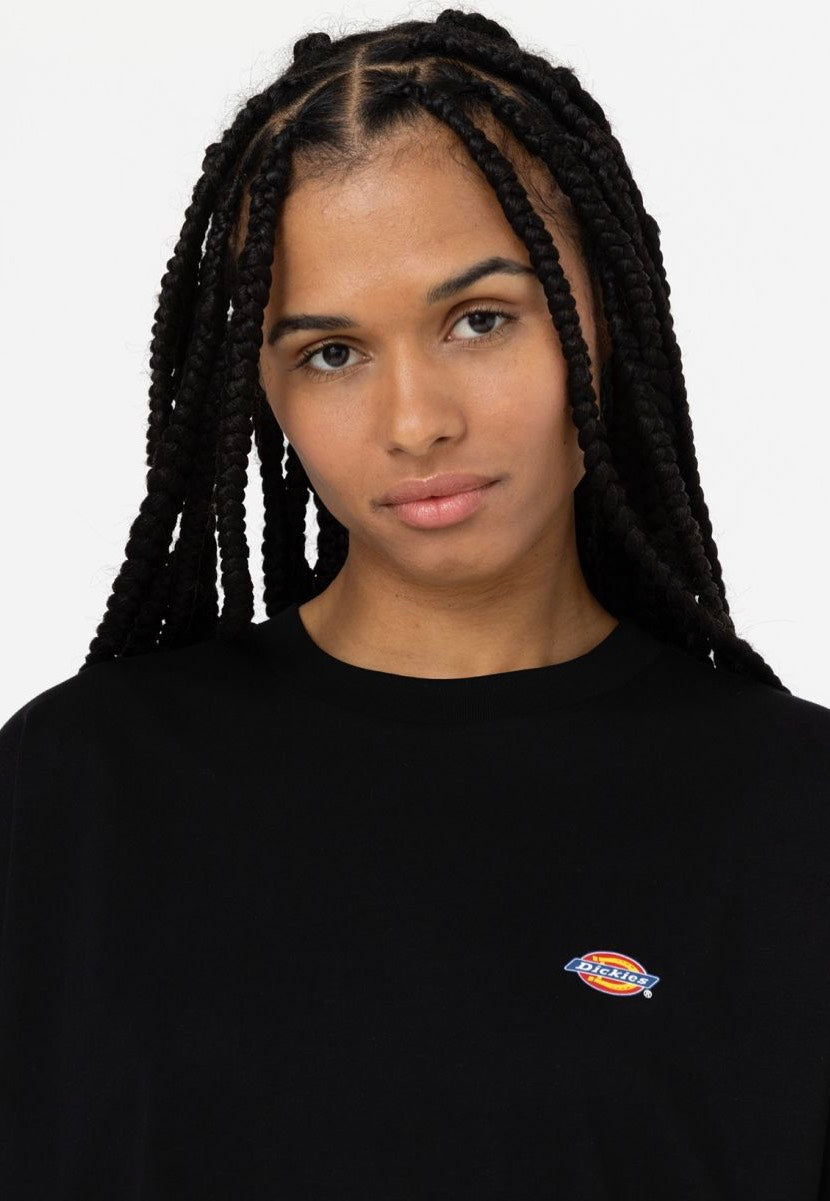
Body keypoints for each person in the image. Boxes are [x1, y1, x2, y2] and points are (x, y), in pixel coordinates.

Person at [1, 8, 828, 1198]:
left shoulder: (792, 812)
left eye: (478, 320)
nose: (414, 421)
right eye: (331, 352)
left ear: (601, 316)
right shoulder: (76, 790)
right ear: (259, 386)